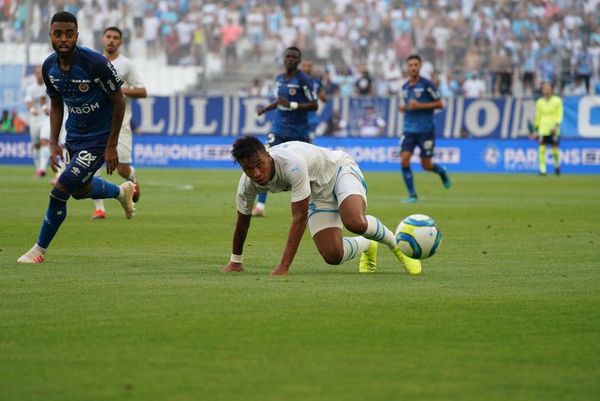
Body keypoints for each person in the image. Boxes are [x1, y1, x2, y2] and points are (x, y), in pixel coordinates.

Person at [17, 11, 135, 264]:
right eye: (58, 34)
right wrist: (52, 144)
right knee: (80, 190)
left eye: (69, 34)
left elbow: (118, 100)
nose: (63, 39)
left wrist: (111, 145)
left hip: (99, 138)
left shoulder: (95, 64)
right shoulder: (49, 66)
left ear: (76, 35)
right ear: (50, 35)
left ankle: (38, 250)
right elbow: (57, 103)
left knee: (60, 190)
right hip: (75, 136)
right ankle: (121, 192)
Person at [222, 136, 422, 276]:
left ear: (268, 155)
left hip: (339, 170)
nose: (256, 173)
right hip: (317, 192)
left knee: (354, 223)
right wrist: (236, 261)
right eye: (248, 169)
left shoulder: (292, 164)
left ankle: (397, 246)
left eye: (259, 164)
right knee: (333, 256)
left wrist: (284, 266)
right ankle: (368, 244)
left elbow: (299, 218)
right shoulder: (246, 185)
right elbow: (242, 222)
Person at [252, 47, 318, 217]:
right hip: (279, 128)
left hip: (299, 131)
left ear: (298, 61)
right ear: (283, 59)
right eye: (287, 56)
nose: (289, 59)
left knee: (306, 169)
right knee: (265, 160)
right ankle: (260, 206)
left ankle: (313, 205)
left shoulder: (304, 80)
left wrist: (293, 105)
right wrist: (266, 109)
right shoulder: (279, 79)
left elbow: (314, 104)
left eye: (293, 57)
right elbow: (281, 101)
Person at [91, 26, 147, 220]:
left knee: (121, 168)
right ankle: (100, 209)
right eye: (108, 37)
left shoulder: (127, 65)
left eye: (115, 38)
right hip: (96, 122)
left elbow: (142, 91)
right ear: (102, 39)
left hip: (121, 122)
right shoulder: (94, 62)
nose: (111, 40)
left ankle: (132, 181)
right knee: (93, 166)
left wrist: (118, 90)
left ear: (120, 42)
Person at [399, 54, 451, 203]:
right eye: (410, 65)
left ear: (420, 66)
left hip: (425, 130)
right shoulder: (404, 87)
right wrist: (405, 108)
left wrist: (419, 106)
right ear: (407, 67)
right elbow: (410, 105)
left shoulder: (427, 85)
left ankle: (442, 172)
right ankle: (412, 195)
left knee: (426, 164)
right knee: (404, 159)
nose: (413, 67)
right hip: (408, 130)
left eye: (416, 65)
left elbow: (440, 104)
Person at [24, 66, 52, 177]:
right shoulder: (31, 88)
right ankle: (38, 167)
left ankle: (42, 168)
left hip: (47, 118)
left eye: (41, 73)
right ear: (34, 75)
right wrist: (31, 109)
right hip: (35, 119)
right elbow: (28, 101)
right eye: (37, 73)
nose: (39, 75)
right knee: (36, 145)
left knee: (44, 140)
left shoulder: (49, 86)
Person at [533, 81, 563, 176]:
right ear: (542, 90)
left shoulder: (557, 101)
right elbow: (537, 116)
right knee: (541, 149)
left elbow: (560, 114)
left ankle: (557, 165)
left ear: (551, 90)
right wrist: (535, 129)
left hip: (554, 128)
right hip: (543, 128)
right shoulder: (539, 102)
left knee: (554, 149)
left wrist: (556, 125)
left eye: (548, 89)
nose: (547, 91)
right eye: (545, 89)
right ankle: (543, 169)